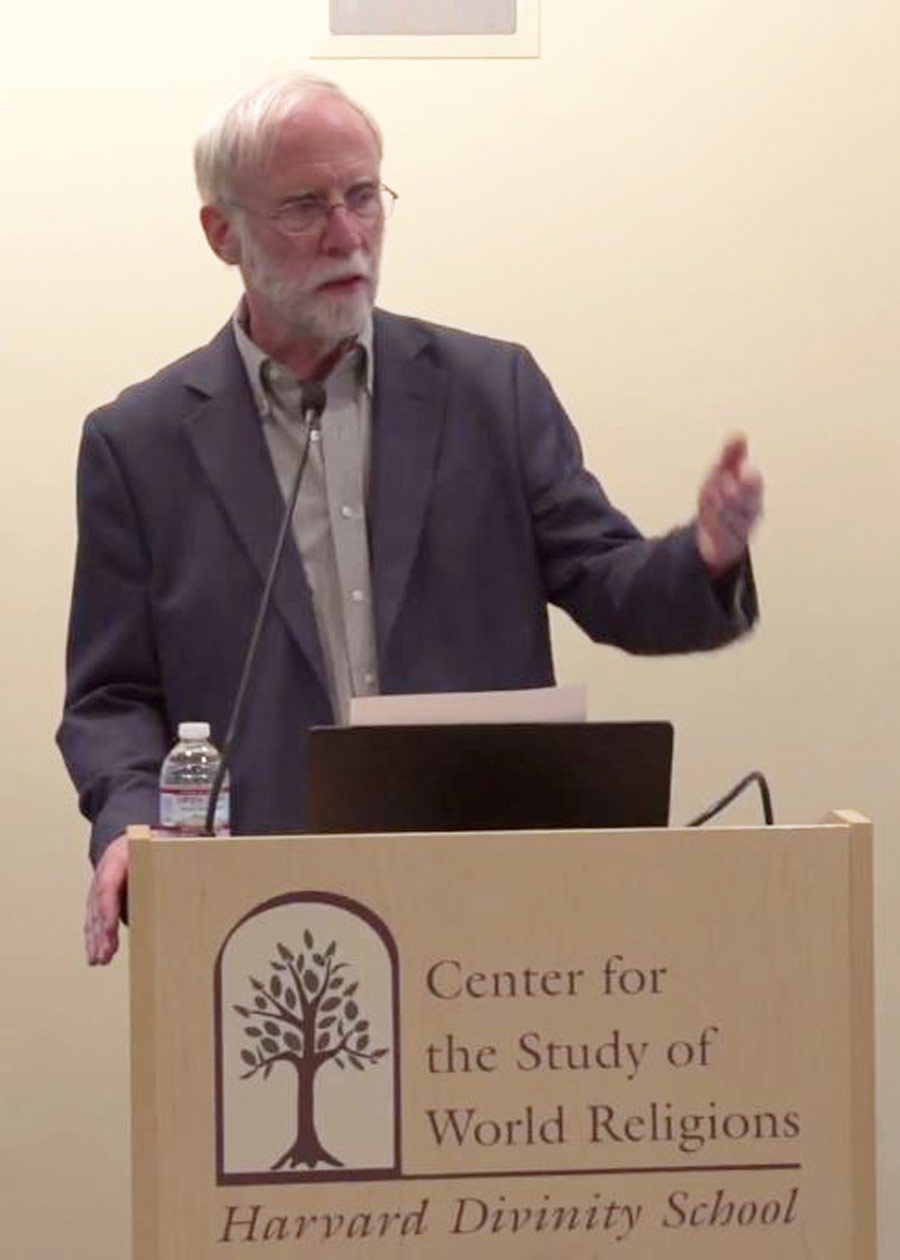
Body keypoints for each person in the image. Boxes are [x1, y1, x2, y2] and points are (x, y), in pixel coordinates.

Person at [58, 74, 763, 967]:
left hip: (488, 898)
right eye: (305, 207)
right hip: (257, 915)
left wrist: (704, 556)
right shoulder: (140, 443)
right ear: (222, 233)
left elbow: (611, 585)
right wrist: (130, 823)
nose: (347, 235)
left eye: (363, 196)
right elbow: (111, 696)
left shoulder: (491, 393)